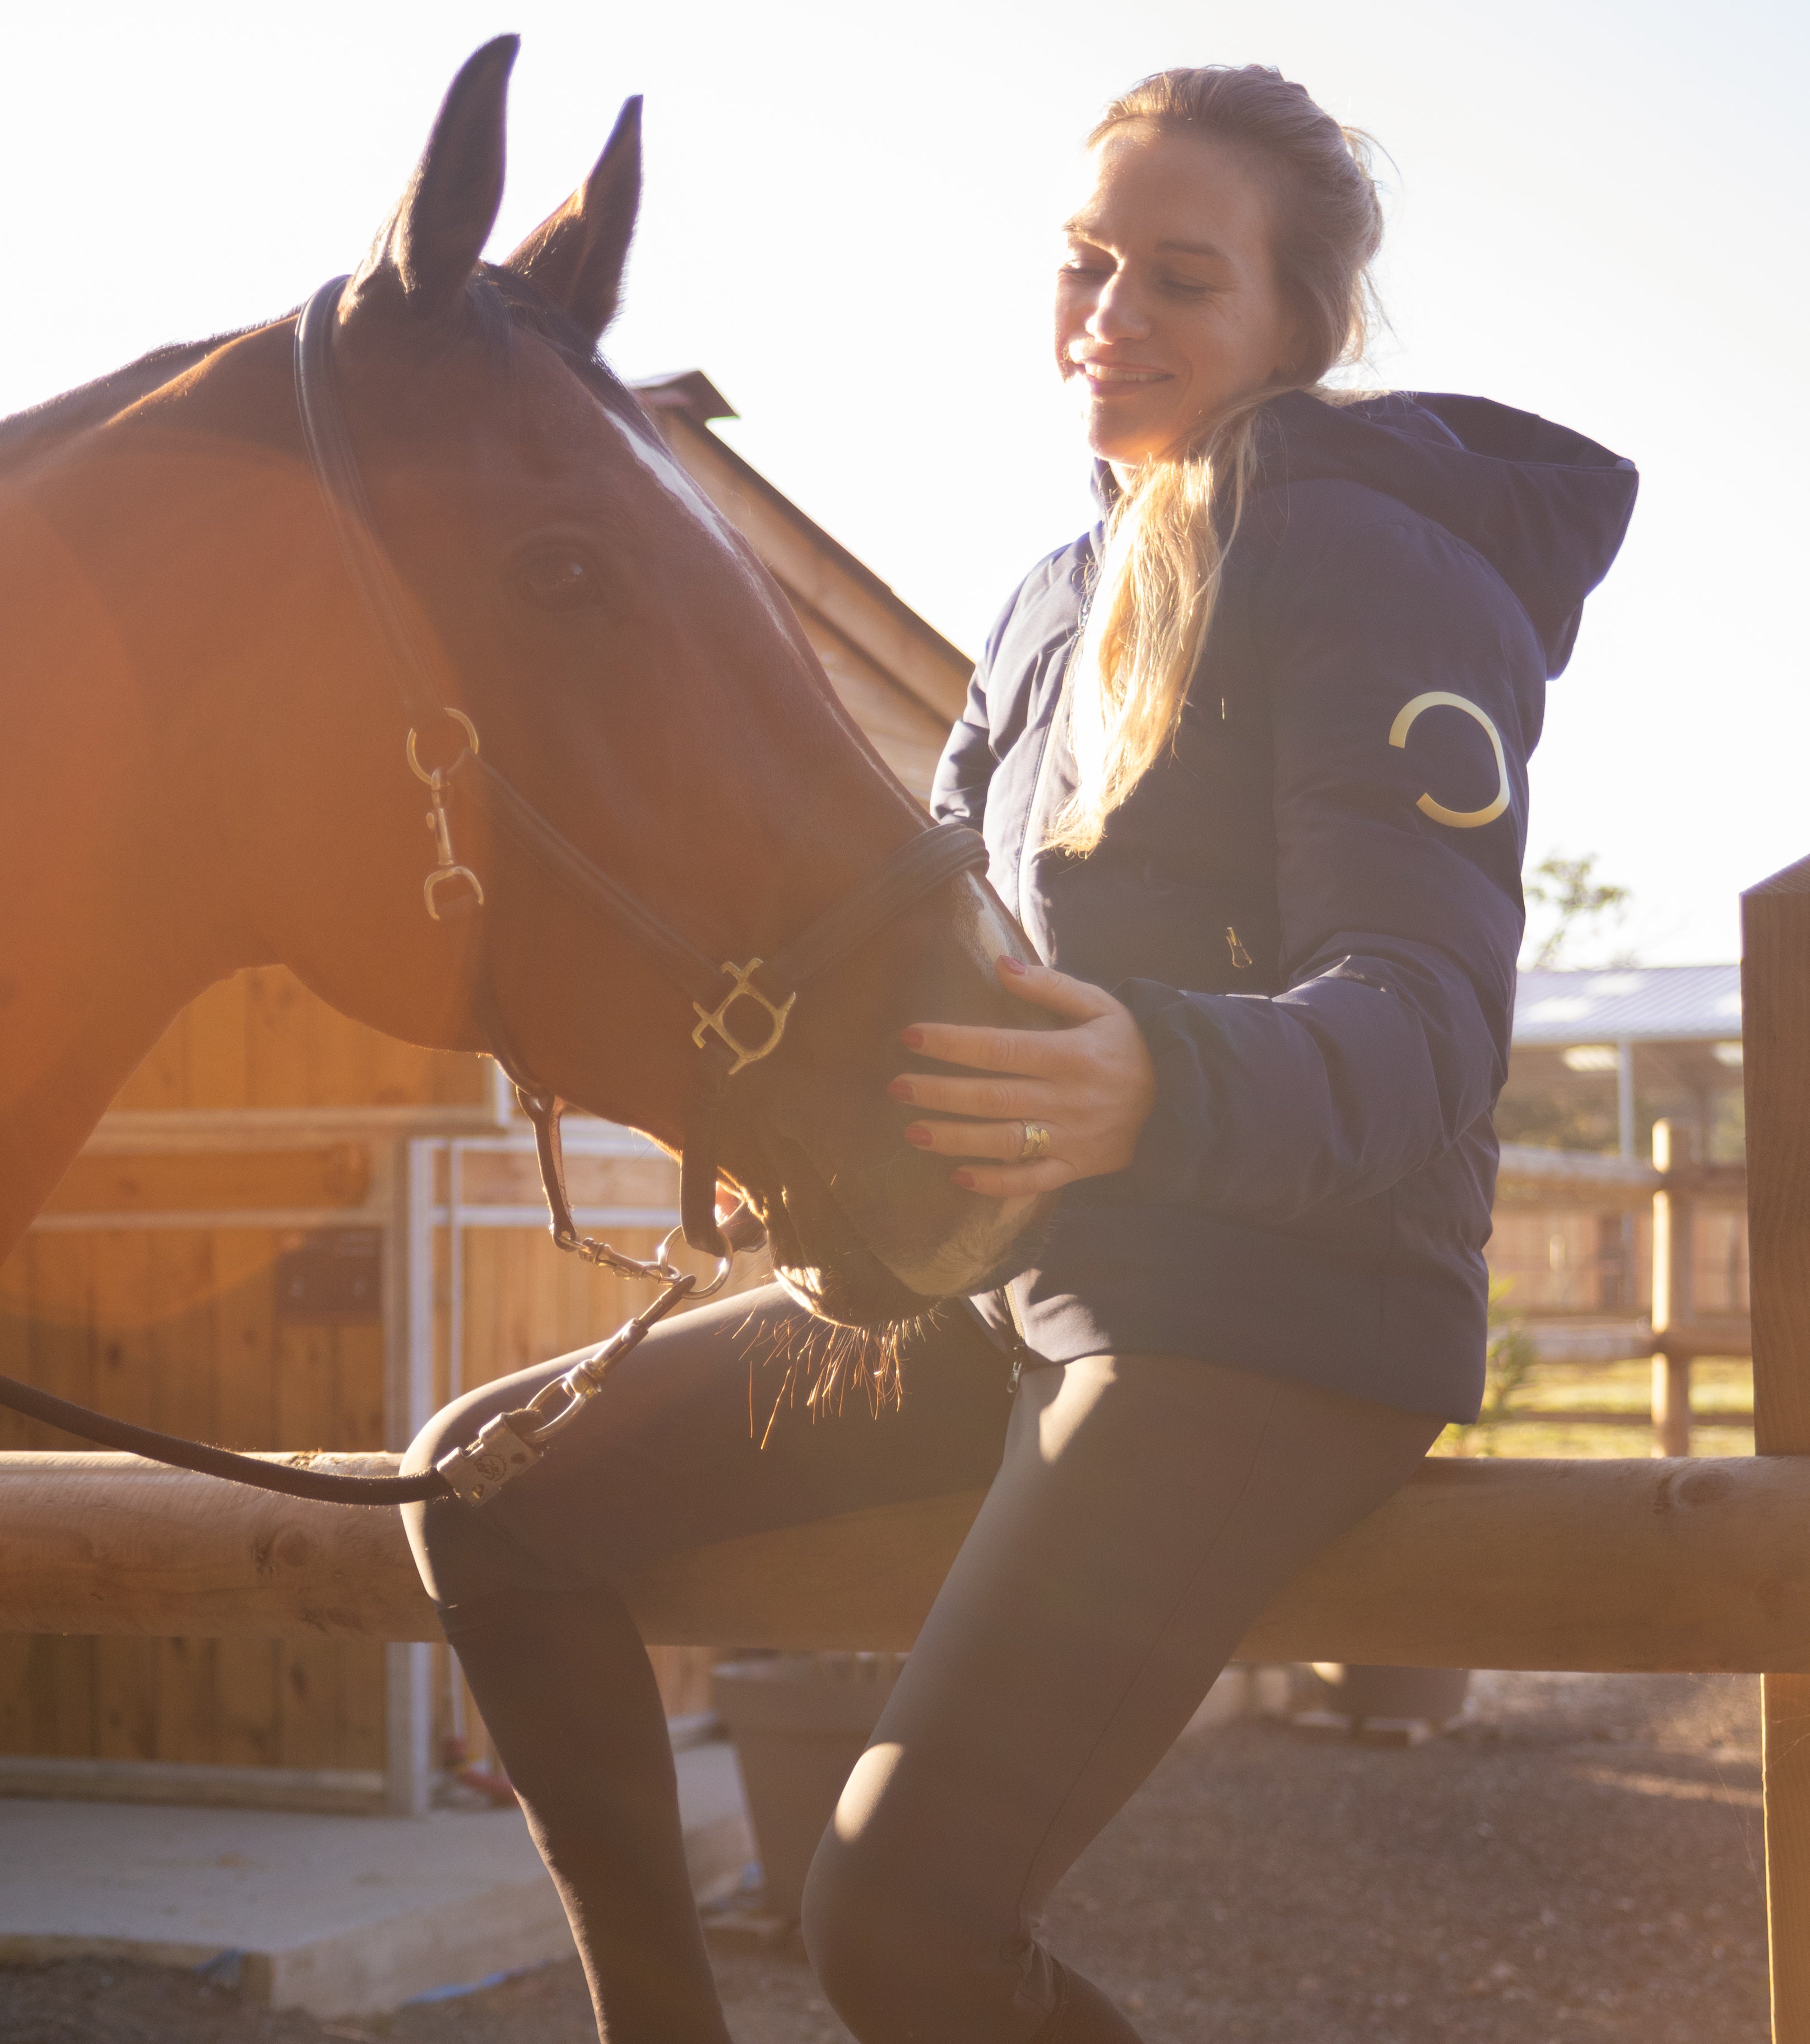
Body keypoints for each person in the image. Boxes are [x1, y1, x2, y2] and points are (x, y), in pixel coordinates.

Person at [402, 64, 1637, 2044]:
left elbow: (1425, 1027)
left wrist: (1160, 1072)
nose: (1109, 316)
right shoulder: (1050, 602)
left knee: (891, 1924)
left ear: (1298, 323)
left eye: (1181, 278)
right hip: (1021, 1289)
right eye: (1083, 265)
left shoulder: (1381, 570)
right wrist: (779, 1133)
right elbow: (936, 980)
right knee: (489, 1489)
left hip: (1268, 1320)